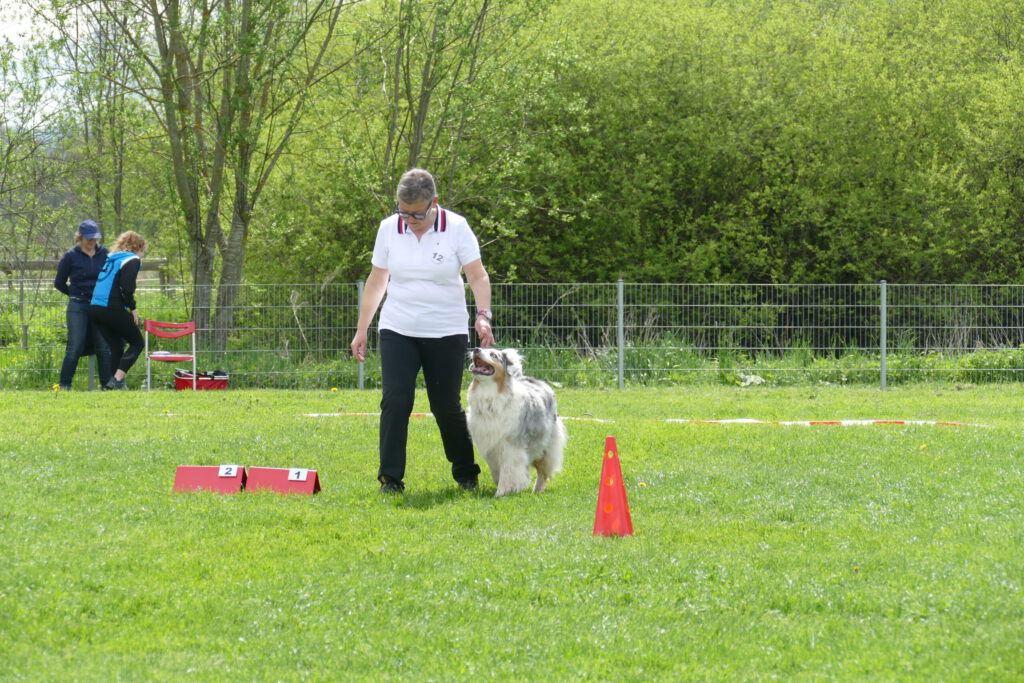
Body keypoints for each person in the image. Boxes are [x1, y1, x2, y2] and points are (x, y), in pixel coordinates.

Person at [350, 168, 495, 494]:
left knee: (445, 406)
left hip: (446, 329)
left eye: (417, 213)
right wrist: (362, 329)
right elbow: (377, 280)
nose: (410, 220)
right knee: (395, 400)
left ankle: (466, 473)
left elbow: (477, 275)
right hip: (398, 327)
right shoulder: (389, 228)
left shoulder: (456, 227)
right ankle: (390, 479)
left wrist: (483, 315)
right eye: (404, 212)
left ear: (434, 203)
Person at [53, 220, 113, 390]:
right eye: (88, 239)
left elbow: (111, 278)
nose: (91, 242)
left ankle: (107, 385)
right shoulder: (70, 256)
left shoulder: (105, 254)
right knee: (75, 346)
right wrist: (75, 294)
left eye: (94, 238)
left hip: (100, 306)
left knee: (103, 347)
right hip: (78, 306)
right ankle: (64, 385)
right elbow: (59, 283)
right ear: (80, 237)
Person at [88, 230, 147, 391]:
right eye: (144, 251)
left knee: (116, 347)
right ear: (139, 247)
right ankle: (116, 379)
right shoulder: (132, 259)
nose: (143, 255)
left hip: (95, 308)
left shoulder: (112, 259)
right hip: (111, 307)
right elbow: (127, 288)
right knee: (137, 343)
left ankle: (115, 387)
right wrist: (132, 308)